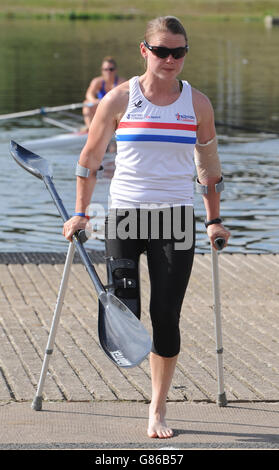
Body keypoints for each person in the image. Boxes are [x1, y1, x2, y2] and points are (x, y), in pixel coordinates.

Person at [63, 16, 230, 439]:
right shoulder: (118, 99)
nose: (170, 59)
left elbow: (208, 169)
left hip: (175, 219)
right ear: (145, 51)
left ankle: (157, 409)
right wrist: (81, 212)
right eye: (161, 51)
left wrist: (213, 219)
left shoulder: (198, 104)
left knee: (166, 315)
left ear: (185, 53)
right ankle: (129, 351)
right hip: (124, 217)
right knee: (127, 312)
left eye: (178, 52)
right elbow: (89, 159)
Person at [82, 56, 125, 129]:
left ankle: (117, 128)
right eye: (105, 69)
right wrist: (95, 101)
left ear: (115, 70)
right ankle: (90, 129)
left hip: (115, 110)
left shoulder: (121, 82)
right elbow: (89, 94)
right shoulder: (97, 82)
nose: (108, 72)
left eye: (111, 69)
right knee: (86, 104)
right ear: (102, 71)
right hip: (100, 107)